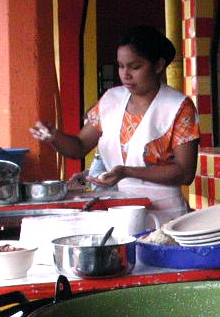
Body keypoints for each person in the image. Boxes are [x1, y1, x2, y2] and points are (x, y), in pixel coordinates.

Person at [30, 24, 200, 222]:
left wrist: (126, 172)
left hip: (165, 214)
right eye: (121, 66)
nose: (125, 74)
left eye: (135, 67)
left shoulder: (178, 107)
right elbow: (79, 146)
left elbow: (185, 172)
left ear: (158, 65)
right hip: (119, 209)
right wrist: (54, 136)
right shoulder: (111, 100)